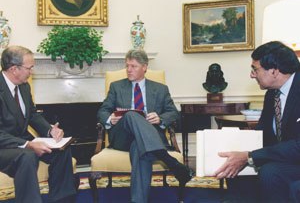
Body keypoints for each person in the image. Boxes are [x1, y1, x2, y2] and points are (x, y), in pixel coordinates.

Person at [97, 49, 194, 203]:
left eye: (133, 66)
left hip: (148, 139)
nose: (129, 70)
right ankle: (168, 160)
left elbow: (173, 113)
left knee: (139, 148)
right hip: (123, 137)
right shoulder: (117, 86)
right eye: (127, 66)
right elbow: (102, 110)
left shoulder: (160, 89)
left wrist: (160, 118)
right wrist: (110, 118)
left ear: (145, 67)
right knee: (131, 115)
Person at [214, 41, 300, 202]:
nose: (252, 75)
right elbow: (263, 133)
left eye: (255, 69)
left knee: (270, 171)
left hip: (294, 158)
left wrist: (249, 156)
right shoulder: (272, 94)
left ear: (274, 71)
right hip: (287, 158)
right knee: (236, 169)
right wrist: (237, 146)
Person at [0, 46, 76, 203]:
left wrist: (49, 131)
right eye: (30, 68)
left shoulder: (24, 86)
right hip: (4, 147)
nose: (31, 72)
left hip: (23, 141)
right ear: (14, 69)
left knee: (62, 150)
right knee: (27, 157)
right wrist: (27, 144)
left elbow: (33, 114)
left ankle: (61, 200)